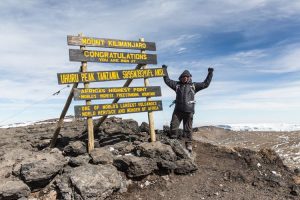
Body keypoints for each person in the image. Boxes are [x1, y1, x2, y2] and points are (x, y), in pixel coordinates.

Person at [162, 65, 214, 152]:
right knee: (173, 126)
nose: (185, 78)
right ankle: (173, 141)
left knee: (188, 129)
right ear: (180, 78)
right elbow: (167, 80)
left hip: (189, 111)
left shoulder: (194, 86)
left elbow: (206, 84)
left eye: (186, 77)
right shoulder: (177, 85)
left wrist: (210, 73)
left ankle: (188, 144)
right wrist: (164, 69)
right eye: (183, 77)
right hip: (178, 110)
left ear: (189, 77)